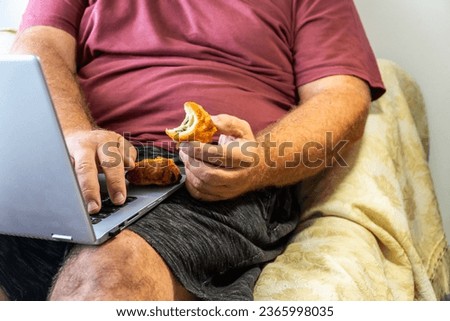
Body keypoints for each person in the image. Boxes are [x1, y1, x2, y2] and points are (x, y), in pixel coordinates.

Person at [0, 0, 385, 301]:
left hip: (210, 175)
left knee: (114, 271)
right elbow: (39, 44)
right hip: (82, 158)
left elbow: (341, 95)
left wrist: (259, 162)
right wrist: (74, 133)